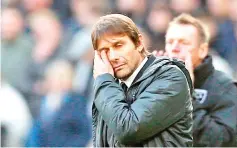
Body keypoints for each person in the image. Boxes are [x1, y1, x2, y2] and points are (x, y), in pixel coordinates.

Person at [91, 14, 193, 147]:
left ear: (139, 43)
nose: (113, 56)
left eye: (118, 45)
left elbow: (128, 129)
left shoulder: (170, 77)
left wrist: (104, 81)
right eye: (105, 51)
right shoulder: (109, 88)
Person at [159, 13, 237, 146]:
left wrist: (186, 95)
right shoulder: (158, 82)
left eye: (184, 43)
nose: (175, 48)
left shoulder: (225, 88)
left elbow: (223, 142)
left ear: (202, 50)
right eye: (170, 42)